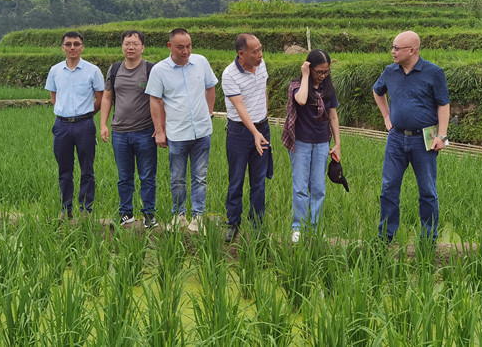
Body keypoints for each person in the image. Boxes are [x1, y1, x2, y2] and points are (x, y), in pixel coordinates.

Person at [372, 30, 450, 242]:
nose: (392, 52)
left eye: (397, 48)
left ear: (412, 50)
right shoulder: (390, 71)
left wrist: (441, 136)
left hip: (423, 140)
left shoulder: (434, 72)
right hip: (396, 139)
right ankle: (385, 238)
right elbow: (377, 91)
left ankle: (428, 239)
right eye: (393, 47)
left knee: (427, 191)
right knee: (388, 189)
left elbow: (443, 104)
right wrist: (387, 116)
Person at [145, 28, 218, 233]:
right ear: (170, 46)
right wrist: (159, 130)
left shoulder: (201, 62)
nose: (185, 51)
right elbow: (155, 100)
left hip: (202, 131)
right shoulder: (160, 70)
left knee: (200, 177)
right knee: (177, 178)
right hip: (177, 134)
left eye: (188, 46)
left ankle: (198, 217)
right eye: (180, 47)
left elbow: (210, 86)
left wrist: (209, 111)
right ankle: (179, 215)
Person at [100, 30, 159, 229]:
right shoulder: (114, 69)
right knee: (124, 177)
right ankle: (126, 213)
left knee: (147, 176)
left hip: (145, 131)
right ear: (122, 46)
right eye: (127, 44)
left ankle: (149, 214)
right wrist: (103, 124)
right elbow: (107, 97)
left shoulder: (151, 69)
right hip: (119, 132)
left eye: (135, 44)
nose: (130, 47)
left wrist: (160, 128)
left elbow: (159, 100)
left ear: (143, 47)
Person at [281, 49, 341, 243]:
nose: (323, 76)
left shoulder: (328, 89)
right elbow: (301, 99)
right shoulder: (297, 85)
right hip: (301, 143)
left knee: (318, 188)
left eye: (326, 72)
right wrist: (306, 75)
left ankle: (314, 228)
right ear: (309, 68)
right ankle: (297, 227)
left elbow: (332, 115)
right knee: (300, 187)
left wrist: (337, 143)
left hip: (322, 143)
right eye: (319, 72)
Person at [45, 31, 104, 219]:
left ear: (82, 47)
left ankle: (86, 210)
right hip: (61, 126)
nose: (72, 47)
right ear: (62, 47)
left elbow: (100, 99)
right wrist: (66, 114)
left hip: (84, 125)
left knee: (87, 170)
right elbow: (54, 97)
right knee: (64, 170)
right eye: (68, 44)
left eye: (76, 44)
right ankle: (66, 209)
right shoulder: (55, 71)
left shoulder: (93, 71)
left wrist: (85, 115)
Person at [222, 33, 272, 242]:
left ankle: (257, 223)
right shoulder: (230, 74)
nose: (260, 55)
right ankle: (233, 222)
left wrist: (264, 118)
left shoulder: (261, 65)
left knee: (259, 181)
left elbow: (263, 92)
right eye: (255, 51)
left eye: (260, 49)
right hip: (240, 133)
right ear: (241, 54)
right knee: (236, 179)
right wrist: (254, 133)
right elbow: (240, 107)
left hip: (262, 128)